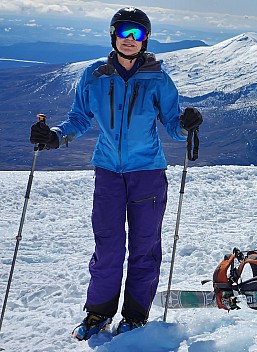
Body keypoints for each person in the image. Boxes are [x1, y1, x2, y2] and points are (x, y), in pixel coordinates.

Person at [29, 7, 203, 340]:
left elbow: (173, 126)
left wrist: (186, 125)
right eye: (123, 31)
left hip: (148, 173)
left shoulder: (158, 79)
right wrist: (53, 137)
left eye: (137, 33)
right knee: (108, 245)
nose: (129, 39)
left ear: (146, 39)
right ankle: (98, 313)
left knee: (144, 246)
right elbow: (79, 118)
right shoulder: (94, 76)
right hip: (108, 171)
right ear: (113, 34)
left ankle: (135, 316)